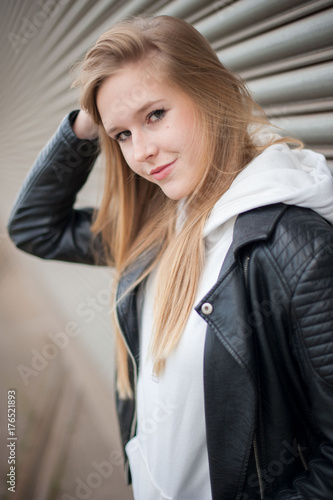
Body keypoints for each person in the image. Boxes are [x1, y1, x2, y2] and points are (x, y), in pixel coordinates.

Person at [7, 14, 333, 500]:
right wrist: (88, 121)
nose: (141, 152)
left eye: (155, 115)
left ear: (210, 93)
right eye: (122, 135)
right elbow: (35, 228)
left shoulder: (293, 248)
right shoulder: (158, 227)